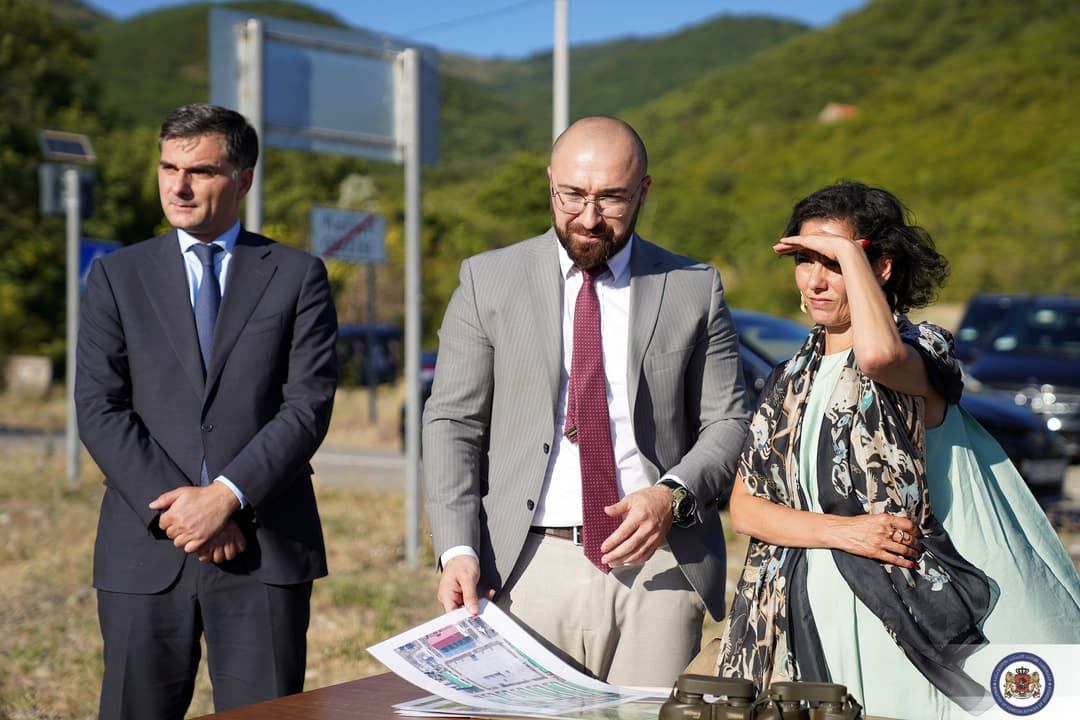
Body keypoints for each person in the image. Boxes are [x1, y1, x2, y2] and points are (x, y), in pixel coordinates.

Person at [716, 182, 1080, 719]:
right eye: (805, 260)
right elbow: (747, 510)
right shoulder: (787, 380)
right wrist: (844, 532)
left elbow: (877, 356)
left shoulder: (922, 350)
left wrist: (849, 254)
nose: (815, 279)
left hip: (918, 621)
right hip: (808, 619)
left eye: (834, 261)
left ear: (880, 268)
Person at [422, 115, 750, 689]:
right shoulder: (487, 280)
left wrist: (671, 496)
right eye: (572, 195)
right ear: (550, 181)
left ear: (643, 191)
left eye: (612, 198)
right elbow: (453, 421)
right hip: (524, 565)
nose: (589, 217)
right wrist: (456, 548)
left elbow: (729, 420)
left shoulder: (693, 286)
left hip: (659, 566)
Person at [76, 103, 338, 719]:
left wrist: (225, 497)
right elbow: (99, 406)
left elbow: (307, 405)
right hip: (145, 549)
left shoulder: (297, 275)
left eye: (200, 170)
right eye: (168, 167)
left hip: (264, 544)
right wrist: (183, 512)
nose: (179, 185)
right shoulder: (116, 276)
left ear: (243, 179)